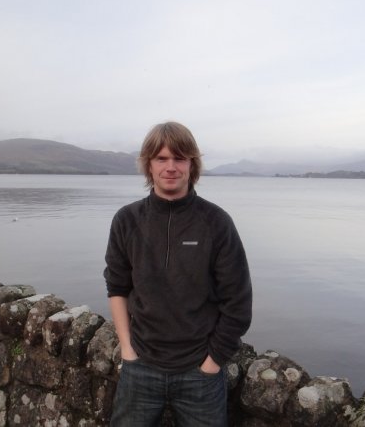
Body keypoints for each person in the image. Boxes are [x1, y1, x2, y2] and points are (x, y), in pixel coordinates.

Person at [104, 122, 253, 426]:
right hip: (140, 367)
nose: (170, 167)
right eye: (161, 158)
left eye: (179, 158)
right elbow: (117, 287)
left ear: (192, 165)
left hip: (199, 374)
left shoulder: (216, 222)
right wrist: (127, 351)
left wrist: (211, 364)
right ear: (148, 164)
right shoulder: (127, 220)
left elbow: (237, 303)